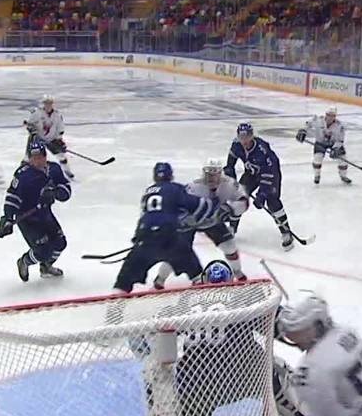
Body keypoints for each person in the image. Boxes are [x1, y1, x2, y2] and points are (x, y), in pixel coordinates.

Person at [123, 260, 271, 416]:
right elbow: (279, 327)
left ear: (202, 282)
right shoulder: (243, 299)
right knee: (280, 378)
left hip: (198, 385)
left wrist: (146, 355)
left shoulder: (187, 301)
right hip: (243, 376)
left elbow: (144, 333)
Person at [112, 162, 216, 294]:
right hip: (169, 239)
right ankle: (202, 292)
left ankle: (115, 303)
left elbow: (147, 217)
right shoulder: (175, 188)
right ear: (171, 176)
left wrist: (138, 242)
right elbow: (198, 206)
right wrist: (215, 202)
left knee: (123, 281)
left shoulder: (147, 192)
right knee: (195, 270)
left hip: (144, 240)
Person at [152, 160, 249, 289]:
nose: (211, 177)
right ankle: (160, 279)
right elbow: (179, 205)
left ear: (220, 173)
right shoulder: (193, 187)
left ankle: (238, 273)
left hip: (212, 221)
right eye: (208, 174)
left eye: (214, 174)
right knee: (177, 251)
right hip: (190, 222)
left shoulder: (230, 184)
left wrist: (230, 208)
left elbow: (244, 201)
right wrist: (181, 220)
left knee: (229, 246)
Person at [0, 139, 72, 281]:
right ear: (30, 159)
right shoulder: (23, 175)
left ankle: (46, 267)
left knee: (60, 243)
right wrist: (7, 218)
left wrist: (56, 193)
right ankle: (24, 262)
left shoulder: (54, 169)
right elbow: (12, 197)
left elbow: (66, 190)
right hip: (27, 218)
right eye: (34, 158)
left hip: (44, 214)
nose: (37, 161)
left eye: (40, 157)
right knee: (43, 251)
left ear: (45, 156)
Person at [225, 122, 297, 249]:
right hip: (252, 173)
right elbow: (230, 164)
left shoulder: (262, 150)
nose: (244, 141)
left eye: (247, 137)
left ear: (252, 136)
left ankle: (286, 232)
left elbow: (268, 175)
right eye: (241, 137)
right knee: (238, 198)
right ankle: (232, 229)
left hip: (271, 174)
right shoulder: (236, 145)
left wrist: (262, 194)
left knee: (272, 201)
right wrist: (231, 176)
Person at [296, 107, 350, 185]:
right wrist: (302, 131)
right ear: (326, 115)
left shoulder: (340, 126)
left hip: (333, 144)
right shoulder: (318, 120)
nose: (330, 117)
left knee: (343, 160)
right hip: (320, 142)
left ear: (335, 116)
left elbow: (340, 140)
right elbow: (308, 124)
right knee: (317, 159)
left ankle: (343, 176)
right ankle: (317, 175)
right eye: (329, 115)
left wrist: (335, 149)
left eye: (332, 116)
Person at [24, 95, 72, 178]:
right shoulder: (37, 113)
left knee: (61, 155)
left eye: (50, 103)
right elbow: (29, 124)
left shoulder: (57, 114)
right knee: (29, 156)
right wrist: (32, 130)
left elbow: (60, 127)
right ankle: (24, 171)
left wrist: (59, 139)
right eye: (46, 103)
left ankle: (67, 171)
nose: (48, 105)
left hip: (51, 139)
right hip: (37, 139)